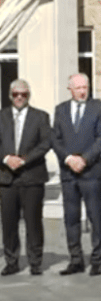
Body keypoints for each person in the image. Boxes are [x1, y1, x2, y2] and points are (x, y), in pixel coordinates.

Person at [52, 74, 101, 277]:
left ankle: (97, 260)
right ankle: (75, 259)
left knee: (96, 218)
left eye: (85, 87)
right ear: (70, 89)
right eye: (78, 88)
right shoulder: (61, 110)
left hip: (91, 172)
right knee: (71, 218)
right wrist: (68, 159)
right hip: (69, 173)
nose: (83, 91)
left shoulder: (100, 108)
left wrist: (84, 159)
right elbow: (55, 139)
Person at [0, 80, 50, 277]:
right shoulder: (1, 117)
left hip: (32, 176)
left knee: (33, 222)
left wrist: (24, 160)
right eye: (15, 94)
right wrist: (6, 158)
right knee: (9, 222)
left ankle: (35, 262)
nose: (19, 98)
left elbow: (46, 143)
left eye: (23, 94)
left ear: (29, 95)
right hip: (6, 178)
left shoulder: (41, 117)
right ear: (10, 95)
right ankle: (11, 261)